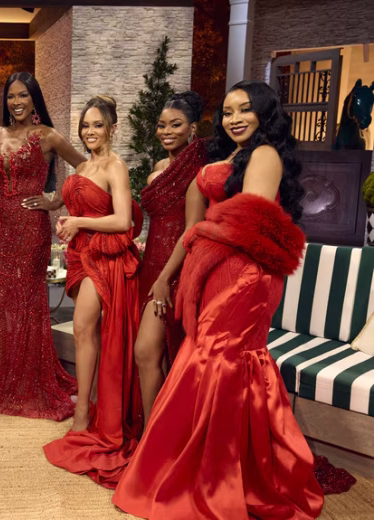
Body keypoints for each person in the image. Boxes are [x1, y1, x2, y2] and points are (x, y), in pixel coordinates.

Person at [113, 81, 324, 519]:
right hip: (217, 269)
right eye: (227, 112)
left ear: (265, 114)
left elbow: (249, 223)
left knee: (220, 361)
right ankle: (205, 465)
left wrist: (201, 234)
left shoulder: (264, 154)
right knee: (206, 359)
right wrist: (177, 266)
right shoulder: (229, 157)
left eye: (245, 110)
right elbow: (199, 222)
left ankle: (220, 474)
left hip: (246, 273)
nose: (234, 119)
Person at [0, 72, 87, 420]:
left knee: (27, 303)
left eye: (23, 95)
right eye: (11, 96)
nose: (16, 102)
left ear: (34, 98)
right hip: (2, 226)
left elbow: (84, 167)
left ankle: (29, 382)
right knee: (0, 302)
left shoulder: (48, 136)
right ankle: (4, 380)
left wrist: (55, 200)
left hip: (31, 227)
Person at [43, 96, 142, 487]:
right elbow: (77, 209)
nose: (89, 131)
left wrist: (79, 222)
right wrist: (67, 223)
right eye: (85, 125)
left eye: (97, 125)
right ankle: (88, 405)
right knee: (85, 334)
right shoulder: (83, 166)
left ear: (113, 128)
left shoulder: (115, 166)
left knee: (83, 329)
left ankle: (84, 412)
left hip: (104, 257)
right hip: (79, 254)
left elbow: (123, 221)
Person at [134, 91, 208, 425]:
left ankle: (159, 436)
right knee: (155, 356)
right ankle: (157, 433)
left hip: (176, 269)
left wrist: (165, 278)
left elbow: (191, 229)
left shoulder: (198, 170)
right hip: (151, 263)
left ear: (193, 128)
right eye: (162, 125)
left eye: (175, 125)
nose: (166, 131)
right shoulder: (161, 166)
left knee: (149, 351)